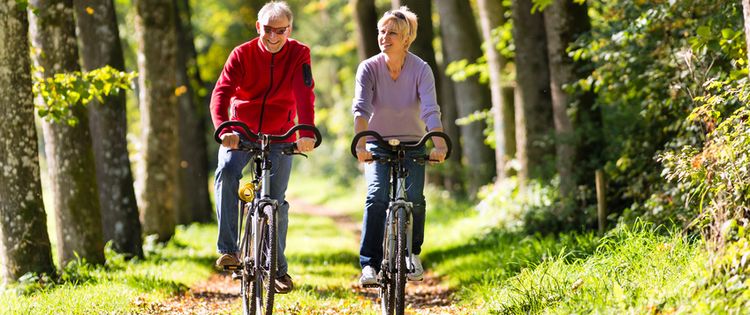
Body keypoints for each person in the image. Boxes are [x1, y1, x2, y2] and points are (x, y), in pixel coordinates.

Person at [210, 1, 316, 294]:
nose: (273, 36)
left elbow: (304, 94)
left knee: (276, 202)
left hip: (281, 133)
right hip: (240, 131)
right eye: (268, 29)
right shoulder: (241, 54)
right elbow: (222, 93)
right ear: (259, 27)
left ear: (289, 29)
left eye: (280, 31)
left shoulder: (298, 53)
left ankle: (277, 269)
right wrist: (224, 128)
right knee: (228, 171)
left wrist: (305, 131)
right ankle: (229, 249)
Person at [351, 6, 448, 285]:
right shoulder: (368, 68)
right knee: (377, 195)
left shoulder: (421, 69)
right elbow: (361, 109)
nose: (384, 37)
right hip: (378, 144)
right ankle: (369, 264)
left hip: (414, 142)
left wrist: (438, 144)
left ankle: (412, 253)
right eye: (382, 31)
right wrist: (361, 143)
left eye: (392, 32)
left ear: (406, 39)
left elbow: (431, 110)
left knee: (415, 198)